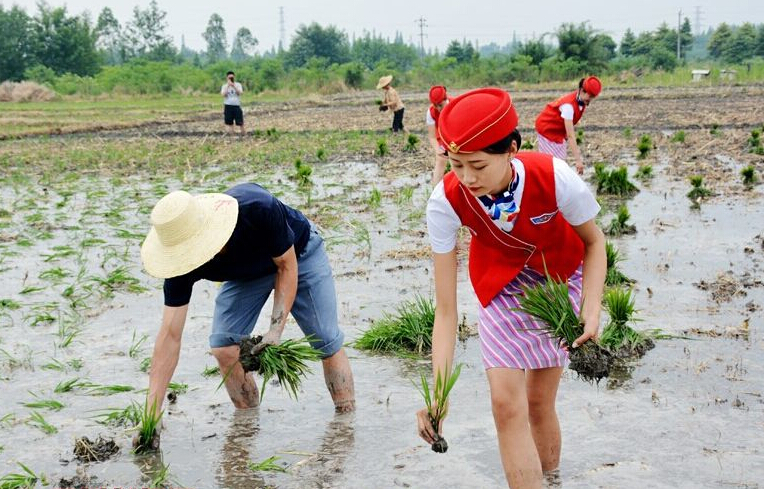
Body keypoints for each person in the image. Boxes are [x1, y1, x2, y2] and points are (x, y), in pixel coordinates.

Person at [416, 88, 605, 488]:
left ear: (511, 149)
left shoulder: (554, 176)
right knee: (505, 404)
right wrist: (438, 394)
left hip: (558, 279)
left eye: (478, 166)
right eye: (456, 165)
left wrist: (591, 308)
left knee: (539, 402)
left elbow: (594, 242)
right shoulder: (445, 201)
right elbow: (446, 311)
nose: (467, 178)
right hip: (500, 283)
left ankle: (551, 480)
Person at [138, 183, 356, 447]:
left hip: (297, 253)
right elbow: (170, 336)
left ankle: (345, 428)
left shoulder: (256, 208)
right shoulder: (180, 264)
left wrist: (275, 330)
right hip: (245, 274)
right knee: (224, 347)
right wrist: (152, 411)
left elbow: (286, 266)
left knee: (325, 340)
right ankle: (248, 426)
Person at [534, 76, 602, 175]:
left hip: (558, 131)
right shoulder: (568, 106)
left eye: (592, 97)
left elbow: (569, 127)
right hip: (546, 129)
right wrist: (578, 161)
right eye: (590, 96)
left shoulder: (581, 100)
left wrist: (564, 135)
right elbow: (571, 135)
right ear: (582, 91)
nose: (590, 100)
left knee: (560, 162)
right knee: (551, 164)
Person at [426, 85, 450, 185]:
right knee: (440, 159)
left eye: (440, 105)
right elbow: (432, 137)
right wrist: (437, 149)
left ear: (446, 99)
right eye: (435, 105)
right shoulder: (431, 112)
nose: (438, 108)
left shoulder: (456, 105)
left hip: (458, 134)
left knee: (459, 161)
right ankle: (435, 191)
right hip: (442, 136)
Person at [221, 70, 245, 135]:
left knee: (240, 121)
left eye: (232, 77)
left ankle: (243, 134)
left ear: (234, 77)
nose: (231, 79)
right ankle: (232, 135)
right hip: (228, 105)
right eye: (229, 78)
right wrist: (228, 86)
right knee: (229, 122)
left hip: (236, 105)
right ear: (227, 78)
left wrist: (234, 86)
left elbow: (240, 93)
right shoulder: (224, 86)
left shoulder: (238, 84)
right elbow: (223, 95)